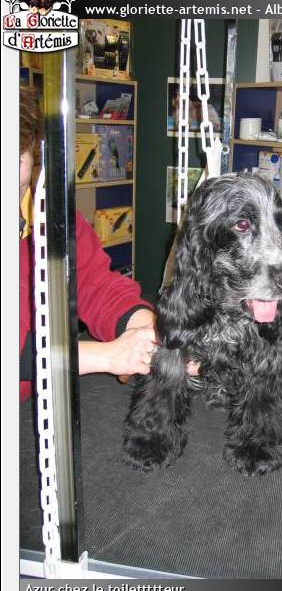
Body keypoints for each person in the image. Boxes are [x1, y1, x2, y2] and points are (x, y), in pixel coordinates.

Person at [20, 85, 160, 403]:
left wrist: (148, 332)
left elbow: (95, 286)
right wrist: (106, 355)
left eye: (15, 159)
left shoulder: (51, 219)